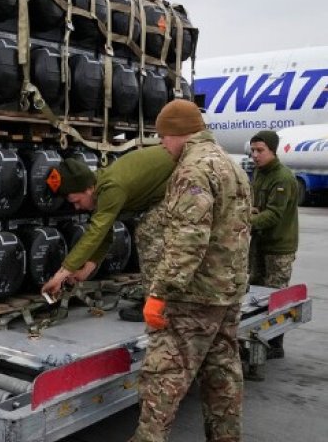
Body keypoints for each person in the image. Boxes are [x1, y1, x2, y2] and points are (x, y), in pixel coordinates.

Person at [129, 99, 252, 442]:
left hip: (194, 296)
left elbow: (188, 239)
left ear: (178, 133)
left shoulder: (193, 169)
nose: (162, 145)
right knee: (222, 371)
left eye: (163, 137)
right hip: (227, 291)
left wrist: (159, 292)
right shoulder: (232, 165)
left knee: (163, 374)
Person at [40, 146, 176, 322]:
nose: (77, 207)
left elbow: (96, 232)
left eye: (76, 201)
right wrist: (85, 270)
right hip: (168, 187)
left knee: (149, 234)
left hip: (185, 180)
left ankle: (159, 305)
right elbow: (104, 234)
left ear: (88, 189)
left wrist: (60, 274)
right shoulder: (101, 187)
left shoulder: (111, 188)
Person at [248, 130, 299, 362]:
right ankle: (258, 339)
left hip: (278, 247)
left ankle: (275, 344)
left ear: (272, 150)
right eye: (253, 150)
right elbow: (259, 207)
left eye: (260, 151)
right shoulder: (260, 173)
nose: (255, 155)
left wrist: (244, 221)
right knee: (256, 294)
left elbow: (274, 215)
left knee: (275, 296)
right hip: (260, 243)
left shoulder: (282, 177)